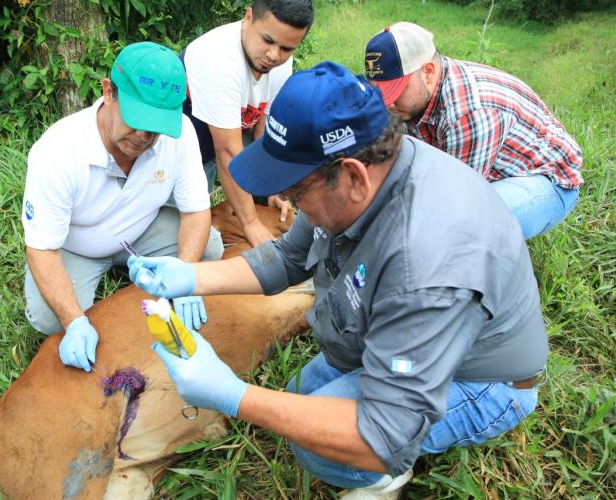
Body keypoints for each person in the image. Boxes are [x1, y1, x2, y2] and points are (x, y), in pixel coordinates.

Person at [127, 62, 548, 499]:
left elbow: (380, 433)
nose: (291, 204)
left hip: (478, 379)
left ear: (352, 177)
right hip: (385, 334)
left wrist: (235, 396)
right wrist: (191, 275)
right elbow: (290, 256)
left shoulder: (429, 263)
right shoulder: (364, 172)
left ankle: (387, 481)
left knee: (318, 447)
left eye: (294, 194)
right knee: (302, 395)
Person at [21, 42, 223, 372]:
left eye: (156, 126)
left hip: (141, 229)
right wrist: (74, 321)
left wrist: (186, 278)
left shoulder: (180, 135)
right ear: (108, 92)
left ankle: (139, 269)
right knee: (49, 319)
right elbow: (42, 248)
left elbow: (196, 211)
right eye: (136, 118)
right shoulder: (57, 151)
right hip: (78, 246)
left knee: (209, 249)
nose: (143, 135)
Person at [364, 22, 583, 239]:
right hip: (491, 169)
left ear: (428, 72)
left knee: (462, 226)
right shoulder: (417, 96)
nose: (387, 103)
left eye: (395, 91)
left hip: (547, 181)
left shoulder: (466, 114)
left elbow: (457, 199)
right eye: (379, 91)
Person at [181, 0, 314, 247]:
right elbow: (228, 153)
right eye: (267, 40)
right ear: (249, 17)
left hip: (231, 131)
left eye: (286, 48)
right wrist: (251, 225)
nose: (274, 55)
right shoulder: (218, 59)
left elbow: (265, 128)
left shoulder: (279, 64)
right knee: (191, 228)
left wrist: (274, 188)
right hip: (184, 146)